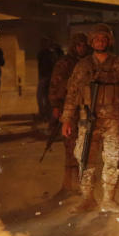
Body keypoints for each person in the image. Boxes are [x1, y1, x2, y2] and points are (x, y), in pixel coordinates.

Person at [61, 23, 119, 213]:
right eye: (96, 39)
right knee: (85, 158)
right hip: (88, 119)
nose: (100, 42)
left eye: (104, 39)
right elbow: (72, 93)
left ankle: (109, 200)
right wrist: (66, 119)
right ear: (91, 42)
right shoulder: (83, 65)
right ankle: (88, 199)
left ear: (109, 41)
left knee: (113, 158)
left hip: (113, 119)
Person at [48, 32, 89, 195]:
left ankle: (82, 184)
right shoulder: (65, 63)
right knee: (70, 147)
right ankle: (67, 184)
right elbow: (55, 85)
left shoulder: (89, 62)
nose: (82, 48)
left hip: (86, 110)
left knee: (85, 148)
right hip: (70, 109)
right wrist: (56, 106)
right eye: (79, 45)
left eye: (84, 45)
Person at [36, 37, 59, 121]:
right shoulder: (50, 53)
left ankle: (46, 115)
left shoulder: (47, 53)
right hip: (47, 77)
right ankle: (46, 115)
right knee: (44, 98)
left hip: (46, 78)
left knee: (44, 98)